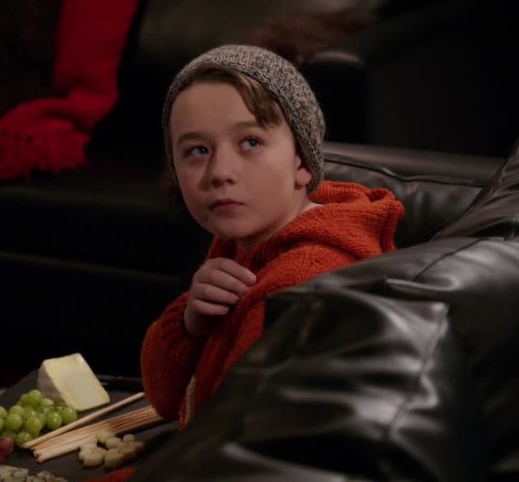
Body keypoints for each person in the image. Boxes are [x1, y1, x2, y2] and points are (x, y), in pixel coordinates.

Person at [140, 45, 405, 426]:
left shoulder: (299, 284)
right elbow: (165, 399)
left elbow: (231, 438)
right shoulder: (243, 242)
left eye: (250, 142)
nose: (220, 172)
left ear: (303, 161)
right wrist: (189, 323)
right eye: (197, 150)